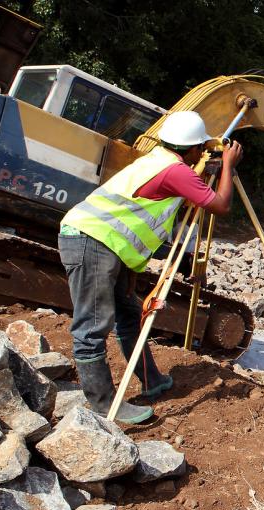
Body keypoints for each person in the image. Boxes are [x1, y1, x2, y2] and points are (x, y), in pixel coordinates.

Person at [59, 111, 242, 424]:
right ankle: (104, 405)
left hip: (103, 244)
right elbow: (220, 205)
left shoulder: (158, 160)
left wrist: (127, 270)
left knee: (129, 314)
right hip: (92, 241)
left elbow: (145, 209)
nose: (201, 152)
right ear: (193, 149)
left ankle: (153, 381)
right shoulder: (175, 171)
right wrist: (227, 165)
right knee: (92, 326)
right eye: (200, 148)